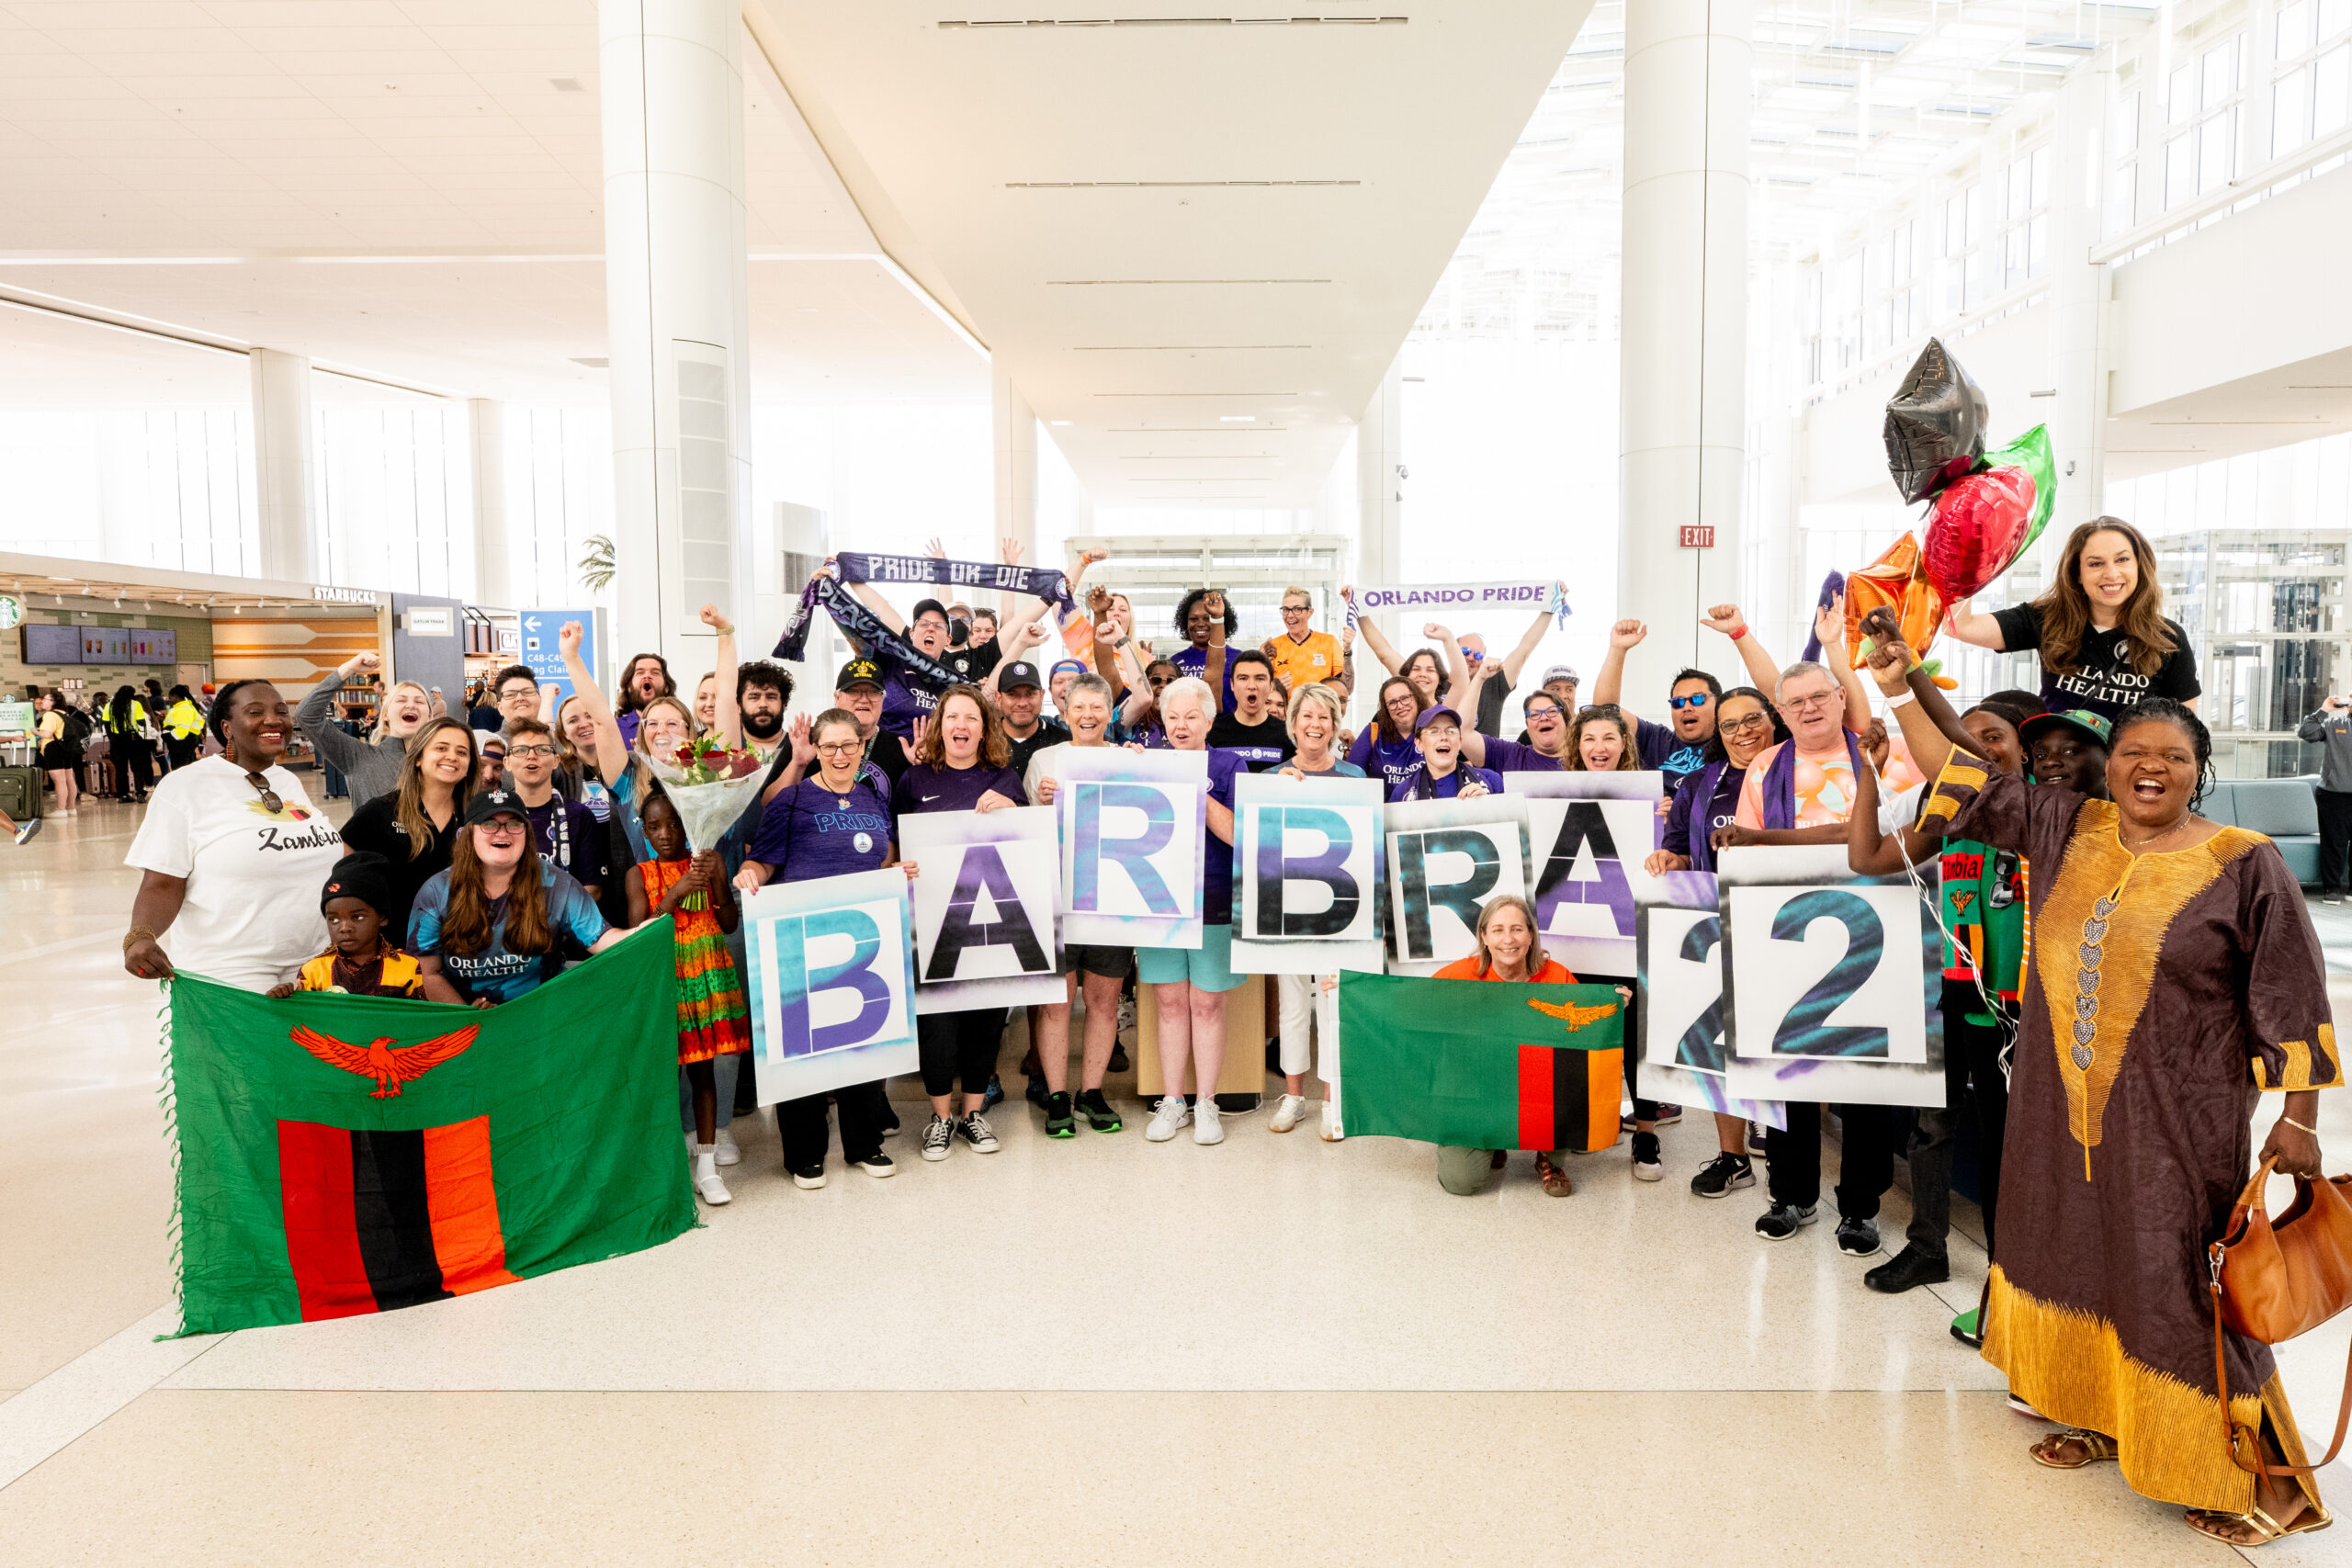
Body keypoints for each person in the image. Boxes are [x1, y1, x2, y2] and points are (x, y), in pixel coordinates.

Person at [1898, 692, 2336, 1546]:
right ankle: (2105, 1419)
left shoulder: (2245, 860)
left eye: (2172, 756)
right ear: (2112, 762)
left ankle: (2258, 1475)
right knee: (2075, 1252)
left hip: (2183, 1115)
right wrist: (1898, 678)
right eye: (2137, 751)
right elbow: (1949, 759)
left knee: (2179, 1275)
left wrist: (2301, 1116)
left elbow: (2289, 989)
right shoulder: (2071, 829)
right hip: (2056, 1106)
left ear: (2197, 769)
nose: (2151, 768)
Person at [1844, 672, 2036, 1301]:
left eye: (1994, 737)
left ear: (2022, 750)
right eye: (1968, 736)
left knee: (2008, 1141)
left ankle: (2009, 1273)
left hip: (2020, 1003)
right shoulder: (1947, 809)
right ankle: (1927, 1247)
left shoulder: (2039, 812)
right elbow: (1866, 857)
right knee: (1931, 1126)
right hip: (1957, 990)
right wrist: (1870, 771)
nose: (1980, 747)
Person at [1731, 660, 1900, 1251]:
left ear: (1839, 697)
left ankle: (1860, 1207)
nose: (1809, 708)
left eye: (1819, 696)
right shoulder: (1763, 767)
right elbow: (1746, 853)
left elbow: (1893, 833)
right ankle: (1791, 1195)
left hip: (1876, 934)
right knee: (1789, 1074)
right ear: (1782, 713)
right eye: (1795, 701)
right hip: (1789, 931)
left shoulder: (1885, 754)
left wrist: (1771, 842)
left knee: (1864, 1081)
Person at [735, 707, 902, 1188]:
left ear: (862, 748)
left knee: (863, 1041)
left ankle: (865, 1145)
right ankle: (804, 1154)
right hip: (801, 939)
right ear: (817, 752)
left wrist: (898, 873)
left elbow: (883, 858)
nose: (840, 754)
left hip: (862, 940)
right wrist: (751, 875)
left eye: (849, 745)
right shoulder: (791, 800)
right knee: (803, 1049)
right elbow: (763, 861)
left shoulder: (873, 799)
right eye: (829, 746)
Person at [1645, 683, 1781, 1195]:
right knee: (1723, 1044)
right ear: (1718, 735)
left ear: (1773, 720)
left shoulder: (1800, 773)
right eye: (1730, 725)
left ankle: (1789, 1170)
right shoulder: (1701, 783)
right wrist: (1669, 860)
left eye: (1752, 720)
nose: (1742, 732)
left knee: (1777, 1042)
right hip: (1720, 923)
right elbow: (1679, 848)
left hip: (1787, 925)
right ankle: (1733, 1157)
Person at [122, 680, 344, 992]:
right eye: (255, 712)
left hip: (314, 968)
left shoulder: (287, 781)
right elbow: (162, 883)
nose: (273, 720)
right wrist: (140, 936)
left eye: (281, 712)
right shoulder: (185, 786)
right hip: (231, 973)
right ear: (227, 728)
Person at [890, 686, 1029, 1161]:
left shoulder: (1006, 778)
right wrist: (898, 870)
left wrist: (1014, 810)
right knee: (937, 1025)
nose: (961, 725)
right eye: (952, 716)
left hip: (992, 923)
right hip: (932, 924)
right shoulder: (913, 780)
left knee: (986, 1021)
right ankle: (940, 1118)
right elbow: (898, 845)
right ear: (939, 725)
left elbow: (1030, 842)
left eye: (971, 717)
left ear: (984, 727)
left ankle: (972, 1114)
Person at [626, 786, 750, 1206]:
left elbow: (730, 923)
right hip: (665, 979)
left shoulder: (709, 861)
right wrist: (677, 891)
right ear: (643, 832)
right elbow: (638, 935)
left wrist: (714, 881)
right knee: (662, 1073)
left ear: (688, 825)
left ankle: (708, 1167)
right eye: (655, 826)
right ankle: (666, 1160)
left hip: (708, 974)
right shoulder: (638, 874)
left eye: (674, 824)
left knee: (704, 1073)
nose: (665, 833)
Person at [1947, 516, 2201, 721]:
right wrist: (1964, 552)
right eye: (2095, 564)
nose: (2111, 573)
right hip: (2057, 770)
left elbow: (2186, 728)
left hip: (2127, 776)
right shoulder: (2048, 619)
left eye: (2122, 559)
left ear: (2139, 566)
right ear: (2077, 573)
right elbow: (1959, 625)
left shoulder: (2168, 638)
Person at [1137, 676, 1246, 1146]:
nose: (1181, 727)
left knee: (1206, 1002)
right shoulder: (1146, 763)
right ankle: (1173, 1101)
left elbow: (1238, 835)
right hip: (1156, 902)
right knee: (1166, 1003)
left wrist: (1192, 792)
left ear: (1208, 721)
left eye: (1191, 717)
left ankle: (1206, 1103)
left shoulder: (1228, 765)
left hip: (1215, 900)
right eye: (1172, 717)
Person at [1022, 672, 1130, 1137]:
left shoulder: (1130, 760)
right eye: (1078, 707)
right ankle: (1058, 1095)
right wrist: (1041, 802)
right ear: (1064, 713)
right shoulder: (1044, 760)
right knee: (1056, 1005)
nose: (1087, 716)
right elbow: (1022, 833)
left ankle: (1091, 1092)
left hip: (1113, 900)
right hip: (1057, 900)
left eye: (1096, 707)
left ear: (1110, 713)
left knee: (1104, 1003)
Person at [1430, 897, 1592, 1197]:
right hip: (1478, 1091)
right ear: (1484, 936)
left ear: (1531, 935)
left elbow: (1585, 1029)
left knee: (1573, 1064)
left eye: (1517, 929)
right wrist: (1351, 988)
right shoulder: (1461, 975)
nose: (1508, 939)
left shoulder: (1557, 977)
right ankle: (1492, 1140)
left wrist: (1614, 1004)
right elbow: (1409, 1002)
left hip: (1534, 1084)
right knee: (1461, 1181)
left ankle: (1549, 1155)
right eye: (1498, 930)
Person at [833, 548, 1084, 739]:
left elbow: (1013, 626)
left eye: (939, 626)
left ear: (948, 638)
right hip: (888, 761)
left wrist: (1051, 597)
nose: (930, 628)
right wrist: (848, 574)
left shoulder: (957, 671)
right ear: (910, 633)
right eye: (923, 624)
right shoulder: (897, 657)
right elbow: (880, 611)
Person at [411, 789, 623, 1005]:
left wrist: (653, 929)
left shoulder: (558, 885)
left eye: (514, 824)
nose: (502, 833)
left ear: (527, 834)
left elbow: (604, 940)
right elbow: (427, 973)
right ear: (468, 834)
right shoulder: (436, 893)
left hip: (543, 1011)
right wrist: (468, 1018)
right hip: (464, 1017)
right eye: (489, 823)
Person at [1267, 682, 1363, 1138]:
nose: (1315, 724)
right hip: (1287, 908)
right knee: (1291, 1005)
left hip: (1338, 909)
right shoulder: (1272, 779)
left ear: (1335, 725)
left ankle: (1331, 1099)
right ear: (1293, 723)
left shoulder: (1355, 778)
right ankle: (1294, 1096)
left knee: (1330, 1003)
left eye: (1324, 716)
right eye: (1307, 715)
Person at [339, 716, 480, 940]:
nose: (452, 756)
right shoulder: (381, 811)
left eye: (462, 752)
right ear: (418, 758)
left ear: (469, 766)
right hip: (394, 948)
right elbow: (342, 876)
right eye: (441, 748)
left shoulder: (475, 816)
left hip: (456, 945)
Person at [266, 852, 464, 1003]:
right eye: (333, 919)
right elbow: (303, 1021)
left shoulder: (408, 967)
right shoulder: (314, 972)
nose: (344, 927)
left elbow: (427, 1020)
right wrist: (283, 999)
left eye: (357, 917)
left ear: (382, 917)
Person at [297, 653, 432, 807]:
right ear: (385, 714)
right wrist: (348, 669)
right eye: (401, 700)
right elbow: (307, 716)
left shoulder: (442, 762)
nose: (411, 705)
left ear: (429, 717)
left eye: (419, 701)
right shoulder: (358, 757)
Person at [501, 716, 604, 903]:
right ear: (507, 762)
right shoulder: (492, 815)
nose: (531, 756)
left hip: (564, 925)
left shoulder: (580, 816)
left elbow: (592, 888)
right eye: (521, 750)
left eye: (542, 749)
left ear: (556, 760)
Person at [1436, 599, 1555, 738]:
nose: (1471, 658)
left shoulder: (1494, 684)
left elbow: (1523, 651)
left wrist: (1549, 609)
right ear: (1453, 651)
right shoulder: (1436, 683)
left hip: (1484, 758)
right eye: (1466, 651)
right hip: (1443, 755)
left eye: (1478, 655)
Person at [1342, 589, 1453, 715]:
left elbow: (1461, 675)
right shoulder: (1402, 707)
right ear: (1407, 676)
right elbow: (1385, 653)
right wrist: (1358, 608)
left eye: (1430, 670)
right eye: (1416, 669)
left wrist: (1447, 638)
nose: (1422, 674)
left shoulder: (1451, 699)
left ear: (1440, 677)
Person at [2299, 692, 2352, 902]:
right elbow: (2306, 732)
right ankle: (2331, 889)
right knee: (2333, 843)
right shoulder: (2335, 724)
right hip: (2333, 794)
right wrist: (2323, 710)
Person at [1388, 705, 1499, 802]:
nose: (1444, 737)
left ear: (1460, 742)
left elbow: (1509, 823)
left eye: (1451, 731)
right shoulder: (1402, 793)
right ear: (1419, 743)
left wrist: (1487, 805)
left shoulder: (1491, 780)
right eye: (1434, 731)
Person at [1207, 649, 1295, 772]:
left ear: (1271, 685)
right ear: (1232, 685)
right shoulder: (1211, 732)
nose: (1252, 685)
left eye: (1259, 678)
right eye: (1243, 678)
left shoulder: (1289, 734)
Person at [1261, 585, 1351, 697]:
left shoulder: (1329, 642)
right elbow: (1260, 692)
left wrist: (1347, 651)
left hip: (1320, 712)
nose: (1290, 615)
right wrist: (1277, 687)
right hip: (1285, 715)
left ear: (1310, 612)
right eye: (1285, 610)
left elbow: (1346, 689)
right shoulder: (1273, 646)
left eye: (1297, 609)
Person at [1460, 685, 1569, 773]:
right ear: (1528, 727)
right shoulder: (1509, 756)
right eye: (1534, 714)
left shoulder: (1583, 757)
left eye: (1552, 711)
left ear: (1565, 719)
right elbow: (1463, 732)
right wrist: (1480, 678)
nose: (1544, 718)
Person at [1348, 675, 1430, 791]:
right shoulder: (1373, 732)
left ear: (1417, 698)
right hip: (1383, 807)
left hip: (1426, 806)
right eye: (1392, 702)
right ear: (1385, 708)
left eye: (1405, 698)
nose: (1400, 706)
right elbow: (1350, 777)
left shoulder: (1433, 729)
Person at [992, 661, 1070, 781]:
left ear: (1042, 695)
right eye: (1012, 695)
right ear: (998, 698)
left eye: (1030, 694)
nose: (1022, 703)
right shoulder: (981, 740)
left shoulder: (1064, 742)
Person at [1169, 587, 1240, 713]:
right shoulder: (1175, 661)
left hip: (1226, 729)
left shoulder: (1237, 658)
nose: (1200, 624)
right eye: (1193, 619)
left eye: (1207, 618)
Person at [101, 684, 155, 803]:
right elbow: (141, 723)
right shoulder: (135, 705)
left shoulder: (109, 706)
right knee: (137, 768)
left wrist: (112, 738)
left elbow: (106, 724)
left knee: (120, 769)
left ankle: (122, 795)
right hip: (133, 739)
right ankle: (140, 793)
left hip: (116, 741)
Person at [613, 652, 677, 750]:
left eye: (655, 672)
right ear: (629, 687)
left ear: (666, 687)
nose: (647, 676)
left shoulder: (682, 726)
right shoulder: (614, 729)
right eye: (640, 672)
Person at [35, 690, 81, 818]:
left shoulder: (50, 715)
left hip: (53, 748)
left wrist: (34, 731)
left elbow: (47, 734)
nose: (42, 702)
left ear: (53, 703)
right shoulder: (64, 713)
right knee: (69, 779)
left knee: (59, 780)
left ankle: (60, 809)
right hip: (66, 748)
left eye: (46, 699)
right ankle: (71, 808)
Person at [163, 685, 206, 773]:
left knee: (180, 771)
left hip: (180, 745)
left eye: (170, 697)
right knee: (186, 770)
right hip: (184, 744)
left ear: (176, 697)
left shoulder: (183, 709)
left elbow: (182, 728)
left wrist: (170, 738)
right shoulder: (184, 708)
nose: (169, 700)